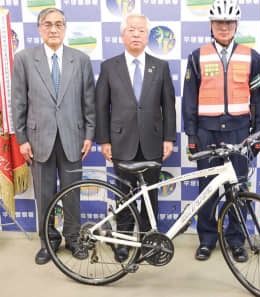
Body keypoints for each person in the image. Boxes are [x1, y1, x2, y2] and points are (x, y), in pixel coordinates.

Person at [182, 0, 260, 261]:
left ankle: (236, 239)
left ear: (236, 25)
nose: (224, 27)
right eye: (219, 22)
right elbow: (189, 99)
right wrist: (193, 135)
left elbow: (259, 98)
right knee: (207, 188)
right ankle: (207, 239)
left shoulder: (252, 57)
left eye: (229, 22)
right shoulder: (197, 56)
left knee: (238, 189)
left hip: (239, 132)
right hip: (207, 133)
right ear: (211, 25)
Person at [11, 8, 96, 265]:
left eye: (59, 24)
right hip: (38, 141)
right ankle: (48, 241)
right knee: (45, 194)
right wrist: (22, 139)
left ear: (65, 28)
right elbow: (18, 104)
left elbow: (88, 103)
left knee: (72, 193)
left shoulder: (80, 60)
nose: (53, 29)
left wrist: (89, 134)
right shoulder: (25, 59)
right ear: (39, 29)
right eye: (47, 24)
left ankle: (73, 238)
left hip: (73, 138)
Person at [95, 13, 176, 262]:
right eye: (131, 30)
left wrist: (169, 138)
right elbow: (101, 106)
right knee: (124, 197)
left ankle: (148, 240)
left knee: (150, 196)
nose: (137, 34)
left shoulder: (160, 66)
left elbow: (169, 106)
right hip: (121, 143)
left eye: (141, 30)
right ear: (122, 35)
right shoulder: (109, 67)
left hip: (153, 142)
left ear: (147, 35)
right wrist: (105, 141)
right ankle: (124, 240)